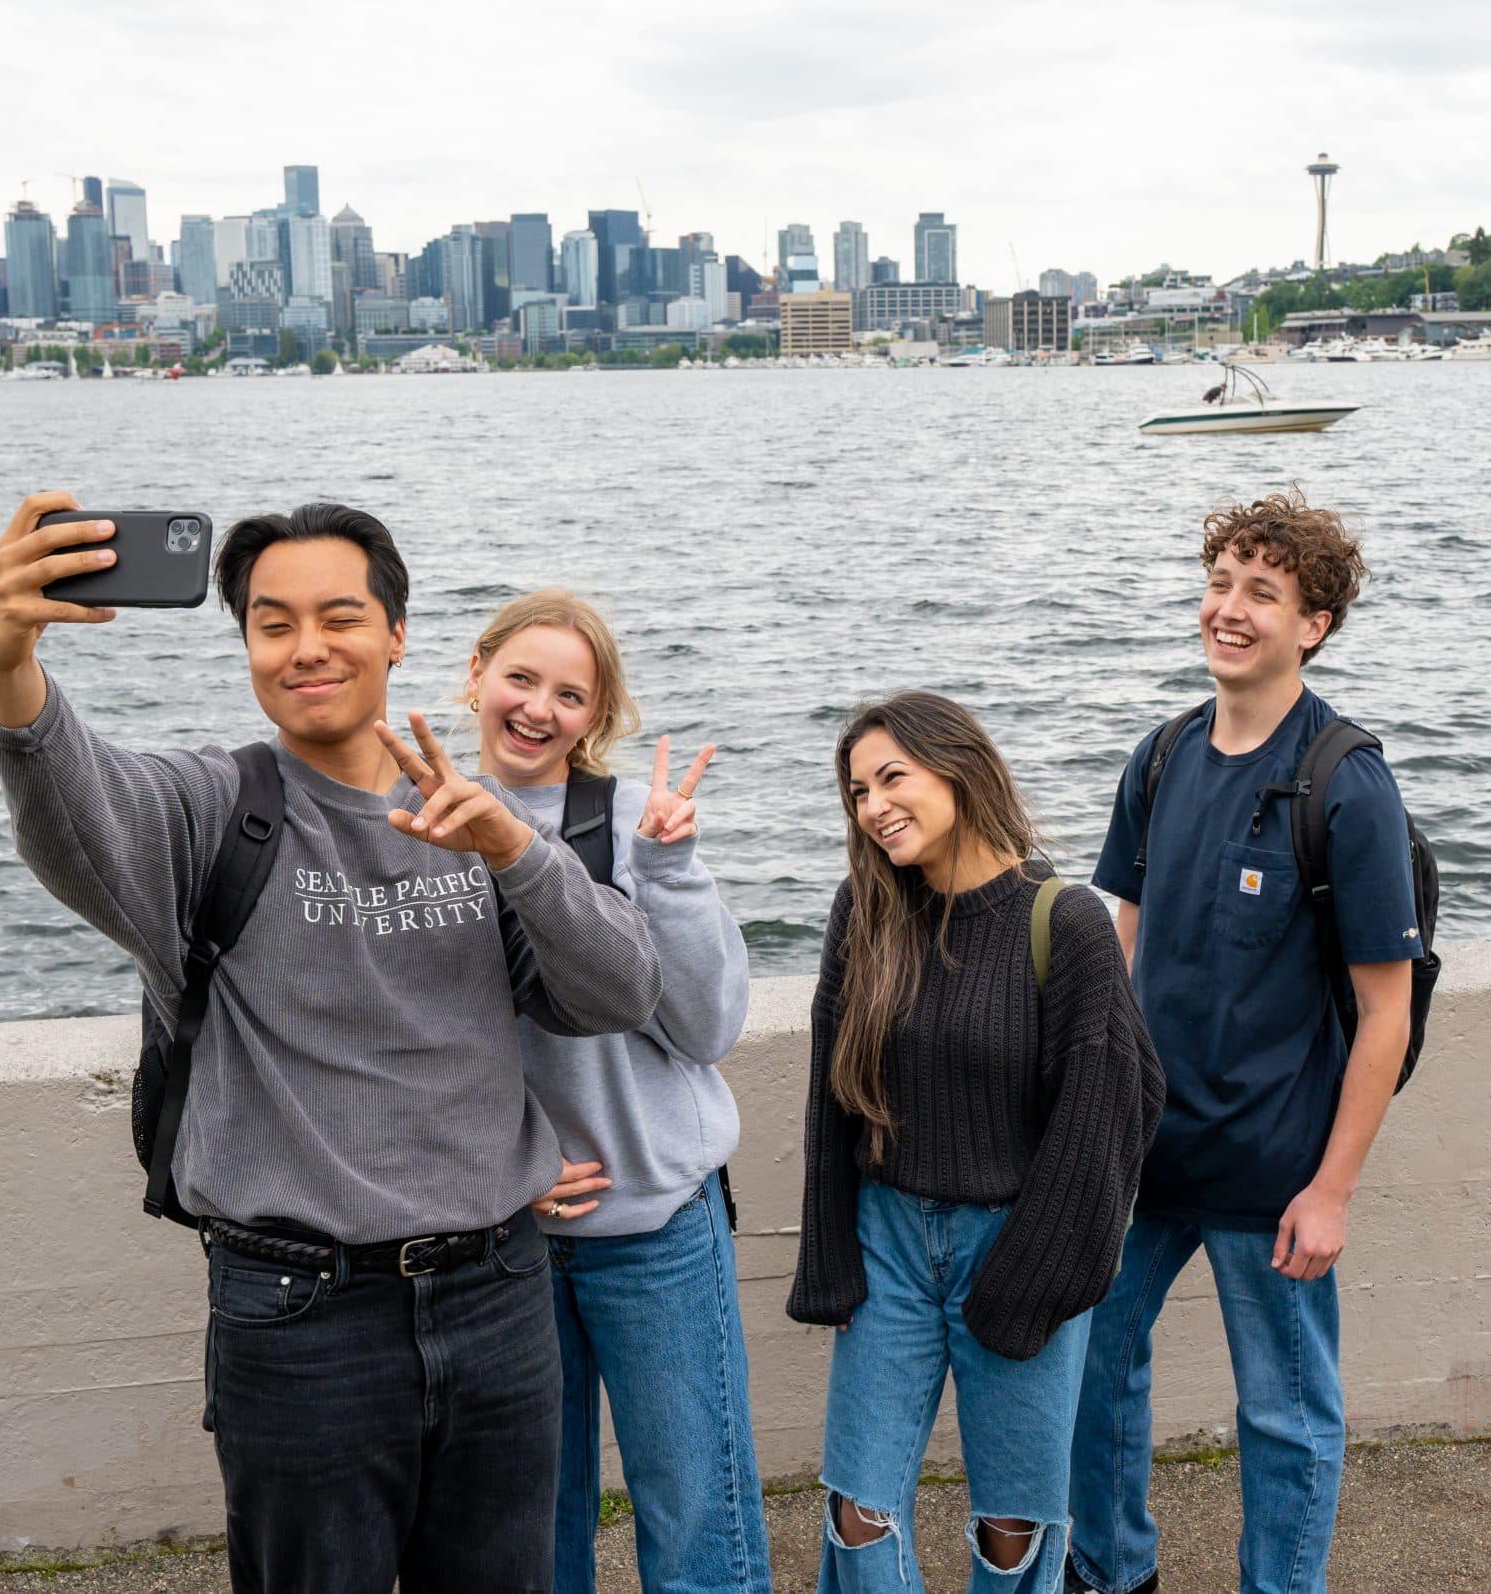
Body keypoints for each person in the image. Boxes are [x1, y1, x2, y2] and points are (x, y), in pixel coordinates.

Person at [0, 494, 662, 1594]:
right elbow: (73, 807)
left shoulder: (475, 816)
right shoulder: (213, 810)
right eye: (271, 623)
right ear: (244, 643)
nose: (308, 649)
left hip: (498, 1297)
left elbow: (619, 989)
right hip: (301, 1321)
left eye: (340, 617)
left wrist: (514, 851)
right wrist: (8, 663)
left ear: (397, 632)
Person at [1067, 494, 1421, 1594]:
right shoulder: (1162, 757)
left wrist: (1333, 1191)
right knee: (1087, 1366)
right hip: (1143, 1154)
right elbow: (1120, 941)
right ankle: (1113, 1568)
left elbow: (1386, 1013)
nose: (1227, 609)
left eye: (1259, 592)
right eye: (1219, 583)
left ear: (1312, 623)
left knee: (1284, 1413)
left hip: (1273, 1172)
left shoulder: (1344, 785)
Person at [789, 692, 1165, 1594]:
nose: (873, 805)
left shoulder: (1062, 921)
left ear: (957, 769)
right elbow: (830, 1092)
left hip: (1016, 1241)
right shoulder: (866, 908)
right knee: (857, 1507)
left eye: (892, 777)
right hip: (888, 1240)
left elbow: (1114, 1105)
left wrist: (1036, 1272)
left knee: (1013, 1526)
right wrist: (830, 1254)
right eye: (857, 791)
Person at [457, 589, 770, 1594]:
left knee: (697, 1516)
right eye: (521, 678)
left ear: (597, 717)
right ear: (475, 676)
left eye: (570, 694)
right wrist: (502, 1170)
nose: (538, 708)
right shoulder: (428, 823)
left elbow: (705, 1030)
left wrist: (669, 875)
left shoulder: (635, 820)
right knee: (528, 1530)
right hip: (505, 1245)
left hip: (657, 1232)